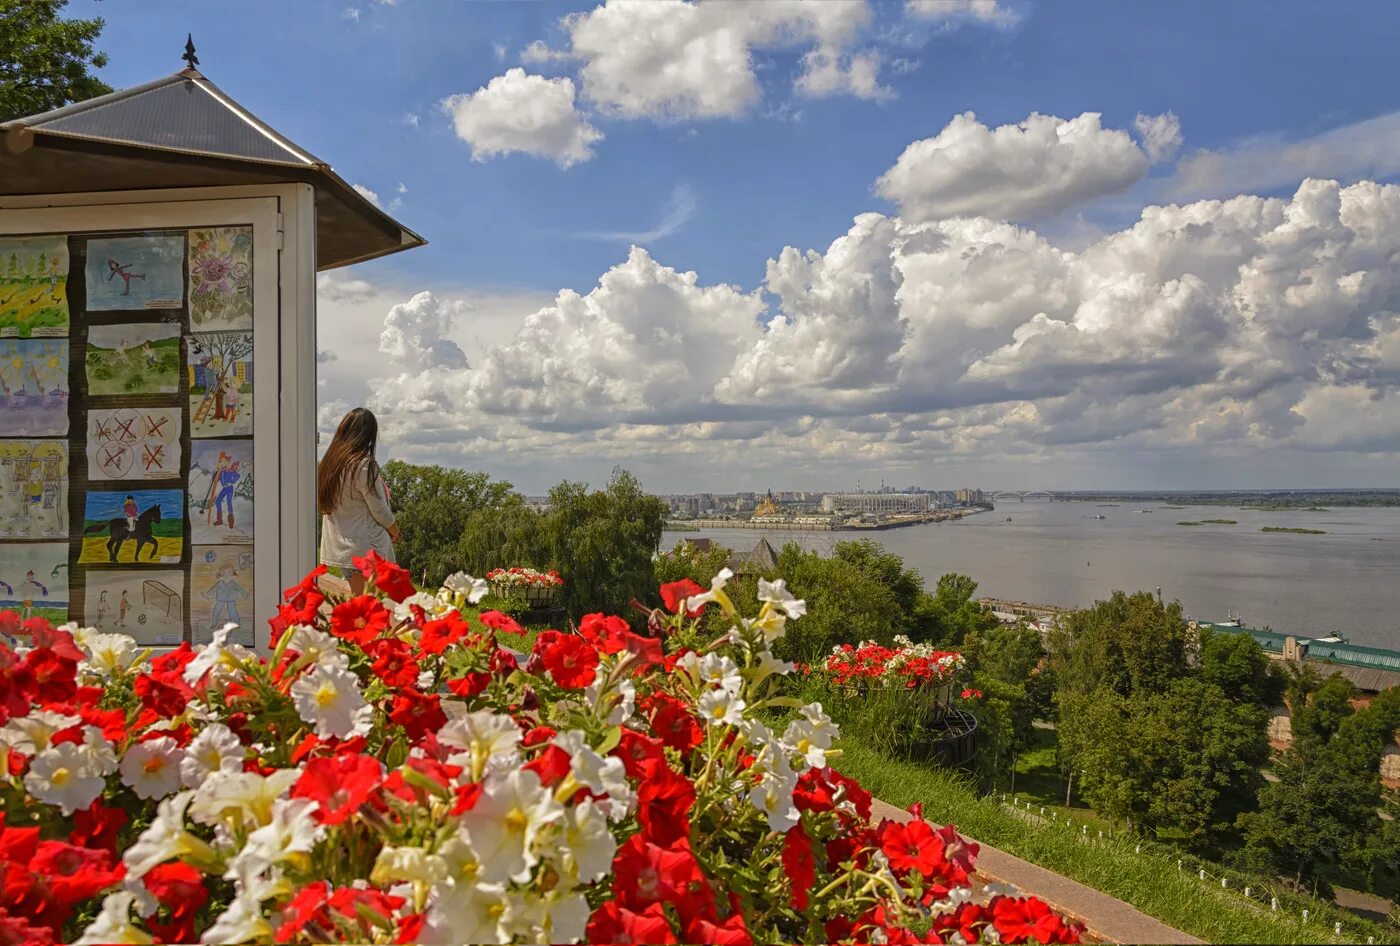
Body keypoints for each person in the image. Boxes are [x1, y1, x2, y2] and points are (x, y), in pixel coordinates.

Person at [318, 408, 400, 595]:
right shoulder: (363, 465)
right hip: (364, 547)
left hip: (341, 547)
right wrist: (394, 530)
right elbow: (379, 509)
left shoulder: (329, 465)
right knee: (365, 607)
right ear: (368, 435)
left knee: (359, 603)